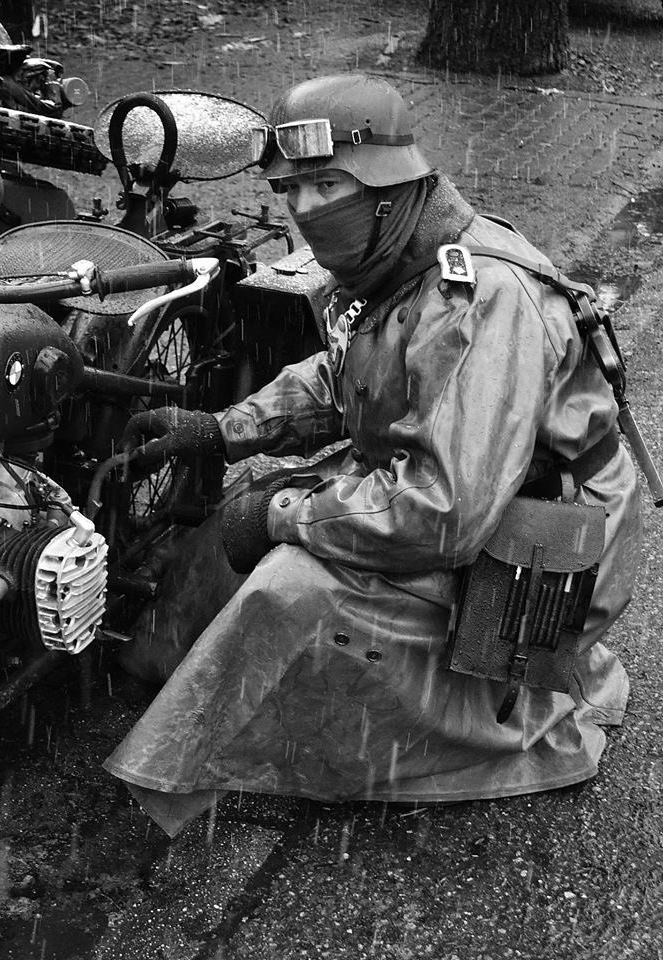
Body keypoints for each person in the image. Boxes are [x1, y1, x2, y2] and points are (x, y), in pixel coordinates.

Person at [103, 73, 642, 837]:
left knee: (291, 587)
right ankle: (177, 677)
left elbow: (442, 513)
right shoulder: (401, 259)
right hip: (492, 496)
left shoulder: (482, 300)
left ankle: (226, 754)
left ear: (392, 186)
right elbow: (345, 372)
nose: (305, 209)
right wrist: (223, 428)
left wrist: (284, 515)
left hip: (545, 550)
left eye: (328, 183)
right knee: (251, 522)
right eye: (292, 189)